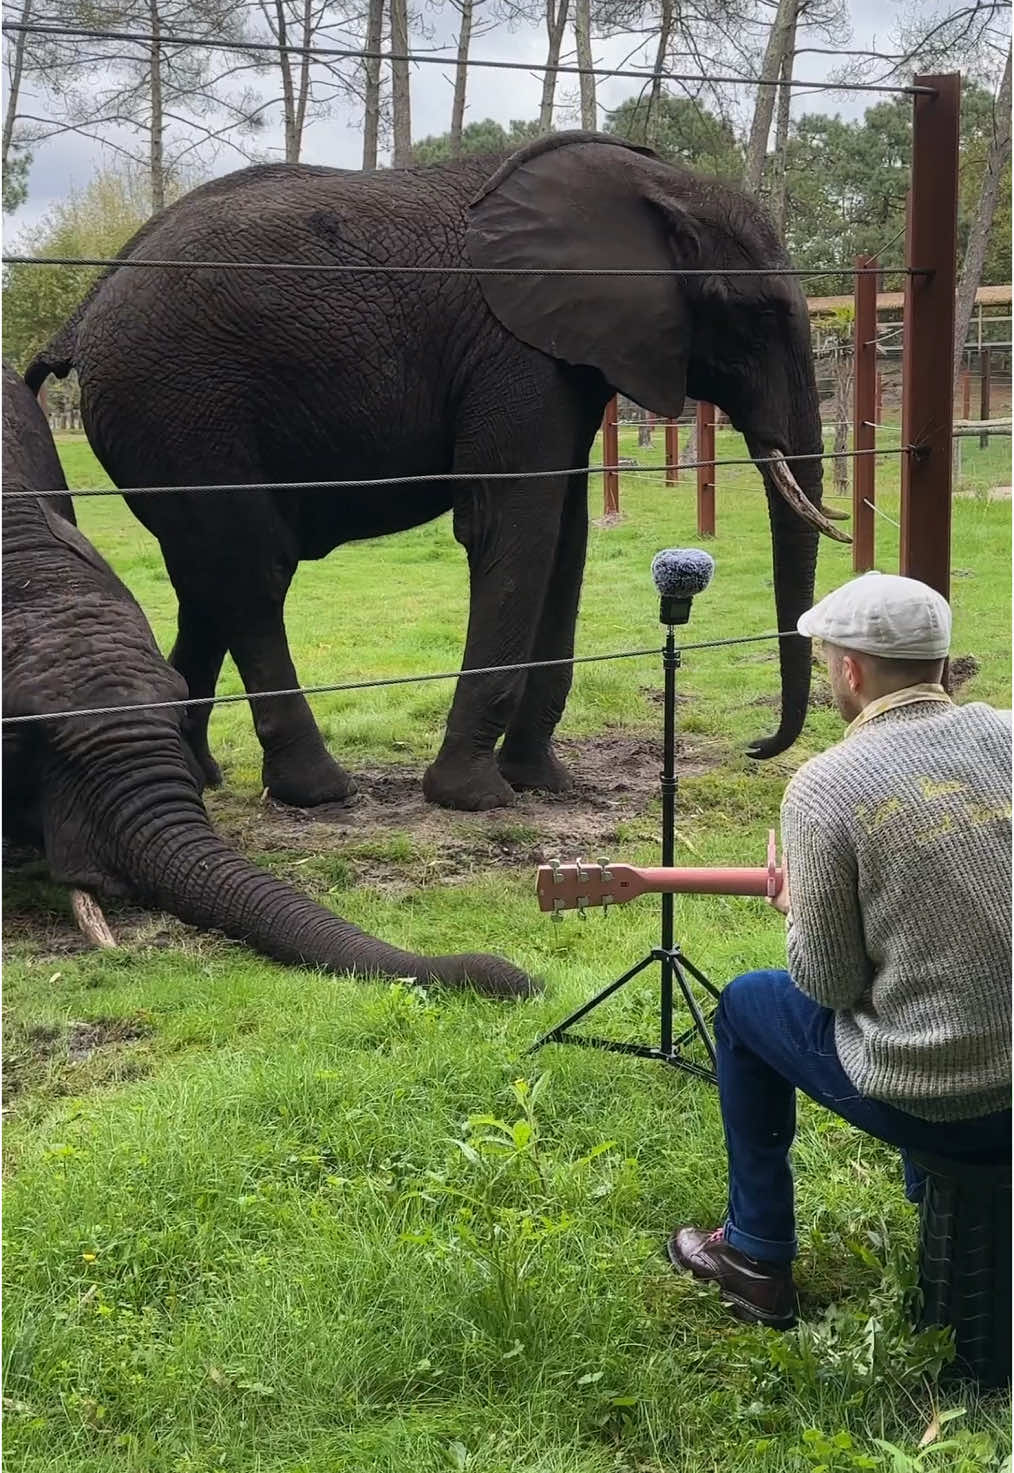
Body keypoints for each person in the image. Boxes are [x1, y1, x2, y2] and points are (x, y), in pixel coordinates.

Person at [668, 571, 1012, 1329]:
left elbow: (826, 981)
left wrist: (798, 910)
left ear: (850, 670)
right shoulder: (1007, 735)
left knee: (747, 1006)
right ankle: (940, 1200)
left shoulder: (826, 787)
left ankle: (756, 1255)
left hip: (949, 1099)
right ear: (940, 662)